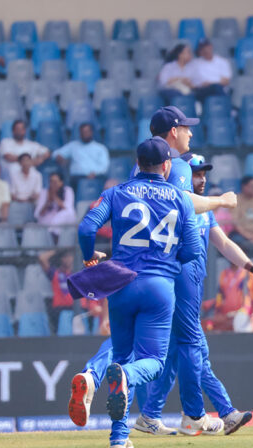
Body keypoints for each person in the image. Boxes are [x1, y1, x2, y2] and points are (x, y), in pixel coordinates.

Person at [77, 137, 203, 448]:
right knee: (153, 362)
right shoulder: (181, 198)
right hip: (158, 286)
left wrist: (90, 256)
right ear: (167, 165)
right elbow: (193, 250)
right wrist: (167, 259)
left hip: (120, 283)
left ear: (137, 163)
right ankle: (126, 381)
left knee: (121, 357)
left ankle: (119, 438)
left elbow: (86, 228)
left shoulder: (116, 192)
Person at [135, 153, 253, 435]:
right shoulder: (172, 207)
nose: (202, 179)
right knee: (197, 351)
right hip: (176, 290)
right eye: (196, 174)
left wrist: (252, 268)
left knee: (177, 355)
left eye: (203, 174)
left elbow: (224, 243)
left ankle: (150, 414)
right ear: (181, 175)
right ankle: (223, 412)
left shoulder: (205, 210)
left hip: (191, 292)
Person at [202, 262, 253, 333]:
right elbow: (221, 298)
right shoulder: (224, 274)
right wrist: (206, 305)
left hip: (245, 316)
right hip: (226, 317)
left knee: (241, 324)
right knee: (205, 325)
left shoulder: (249, 274)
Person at [37, 249, 86, 328]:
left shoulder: (79, 273)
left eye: (70, 257)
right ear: (61, 259)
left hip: (79, 309)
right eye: (65, 257)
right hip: (61, 310)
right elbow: (42, 258)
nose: (68, 259)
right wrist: (57, 250)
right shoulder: (54, 273)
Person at [35, 172, 76, 239]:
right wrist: (48, 202)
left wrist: (54, 196)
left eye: (55, 182)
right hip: (47, 221)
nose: (52, 184)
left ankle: (53, 232)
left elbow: (68, 208)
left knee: (68, 213)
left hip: (64, 221)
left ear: (61, 183)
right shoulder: (44, 192)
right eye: (51, 181)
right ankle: (52, 234)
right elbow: (38, 214)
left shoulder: (67, 190)